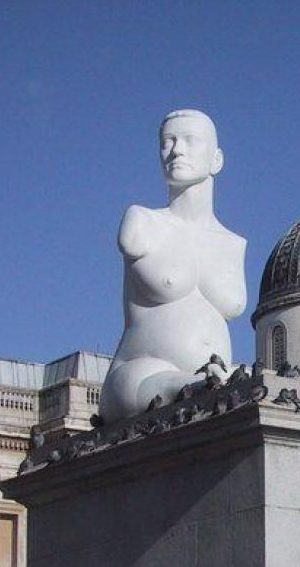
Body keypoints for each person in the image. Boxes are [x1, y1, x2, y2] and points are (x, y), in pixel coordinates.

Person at [99, 109, 247, 423]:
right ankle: (208, 384)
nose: (176, 150)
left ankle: (213, 383)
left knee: (238, 383)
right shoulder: (141, 220)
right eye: (168, 141)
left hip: (215, 376)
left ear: (216, 160)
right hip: (140, 376)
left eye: (190, 140)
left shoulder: (234, 244)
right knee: (193, 387)